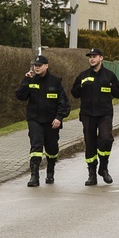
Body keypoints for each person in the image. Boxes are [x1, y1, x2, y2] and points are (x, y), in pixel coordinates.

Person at [15, 55, 71, 187]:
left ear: (46, 66)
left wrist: (59, 118)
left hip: (52, 122)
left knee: (52, 149)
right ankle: (34, 176)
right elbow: (20, 96)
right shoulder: (30, 80)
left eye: (39, 65)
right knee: (36, 146)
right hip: (35, 119)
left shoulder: (55, 81)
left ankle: (50, 171)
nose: (37, 67)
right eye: (35, 65)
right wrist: (25, 81)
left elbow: (64, 103)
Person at [71, 48, 119, 185]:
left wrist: (112, 87)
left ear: (101, 58)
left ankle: (103, 168)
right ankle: (92, 174)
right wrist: (80, 87)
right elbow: (74, 93)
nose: (91, 59)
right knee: (90, 144)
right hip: (88, 114)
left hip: (105, 114)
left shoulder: (109, 75)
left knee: (106, 139)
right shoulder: (83, 75)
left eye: (94, 56)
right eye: (90, 57)